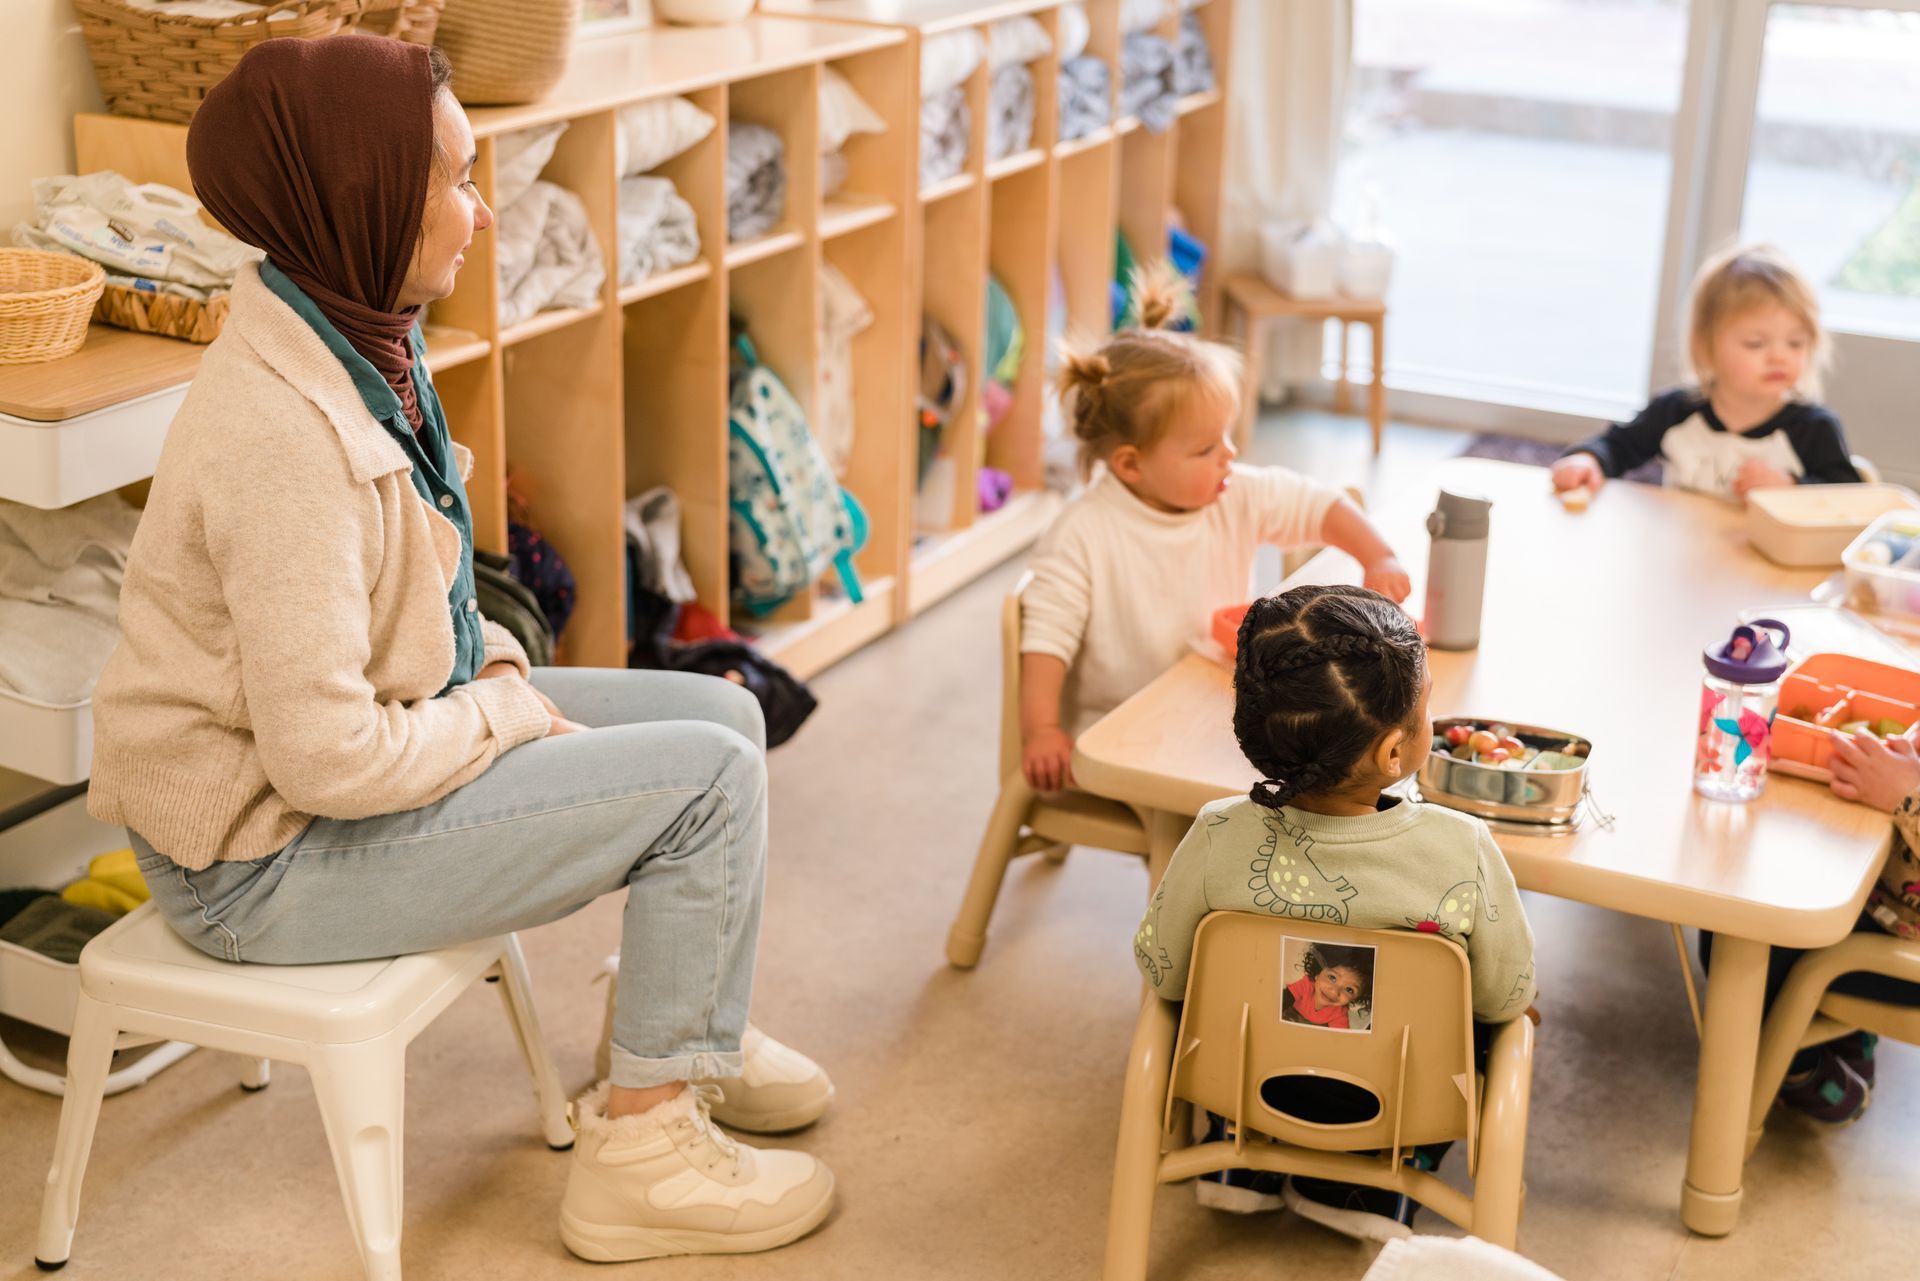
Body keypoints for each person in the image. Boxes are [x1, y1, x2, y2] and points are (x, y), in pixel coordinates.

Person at [86, 36, 833, 1263]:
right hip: (259, 857)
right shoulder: (279, 434)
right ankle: (641, 1156)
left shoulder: (358, 326)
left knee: (728, 718)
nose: (483, 214)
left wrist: (488, 669)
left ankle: (680, 1028)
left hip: (362, 747)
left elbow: (414, 592)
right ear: (361, 190)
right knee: (706, 780)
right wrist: (503, 713)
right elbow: (324, 763)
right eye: (457, 180)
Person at [1134, 584, 1536, 1239]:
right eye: (1427, 704)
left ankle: (1242, 1153)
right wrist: (1510, 1009)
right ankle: (1368, 1180)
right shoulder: (1461, 848)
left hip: (1243, 1080)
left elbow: (1163, 969)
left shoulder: (1215, 834)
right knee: (1504, 1028)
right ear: (1392, 754)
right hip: (1407, 1101)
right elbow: (1508, 991)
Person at [1018, 269, 1411, 793]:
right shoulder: (1082, 532)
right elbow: (1046, 638)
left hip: (1221, 705)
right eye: (1205, 448)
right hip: (1123, 730)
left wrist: (1378, 555)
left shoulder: (1234, 491)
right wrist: (1042, 730)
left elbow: (1321, 506)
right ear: (1131, 464)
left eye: (1225, 435)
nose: (1229, 453)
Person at [1551, 243, 1858, 504]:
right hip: (1686, 552)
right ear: (1706, 347)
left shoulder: (1814, 428)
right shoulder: (1676, 411)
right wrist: (1588, 459)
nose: (1779, 356)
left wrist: (1792, 487)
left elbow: (1849, 499)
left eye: (1796, 343)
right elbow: (1619, 445)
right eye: (1756, 343)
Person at [1283, 942, 1373, 1031]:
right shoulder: (1306, 985)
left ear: (1355, 998)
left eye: (1349, 989)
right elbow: (1283, 1001)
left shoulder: (1339, 1013)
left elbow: (1339, 1038)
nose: (1334, 991)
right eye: (1332, 977)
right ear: (1318, 972)